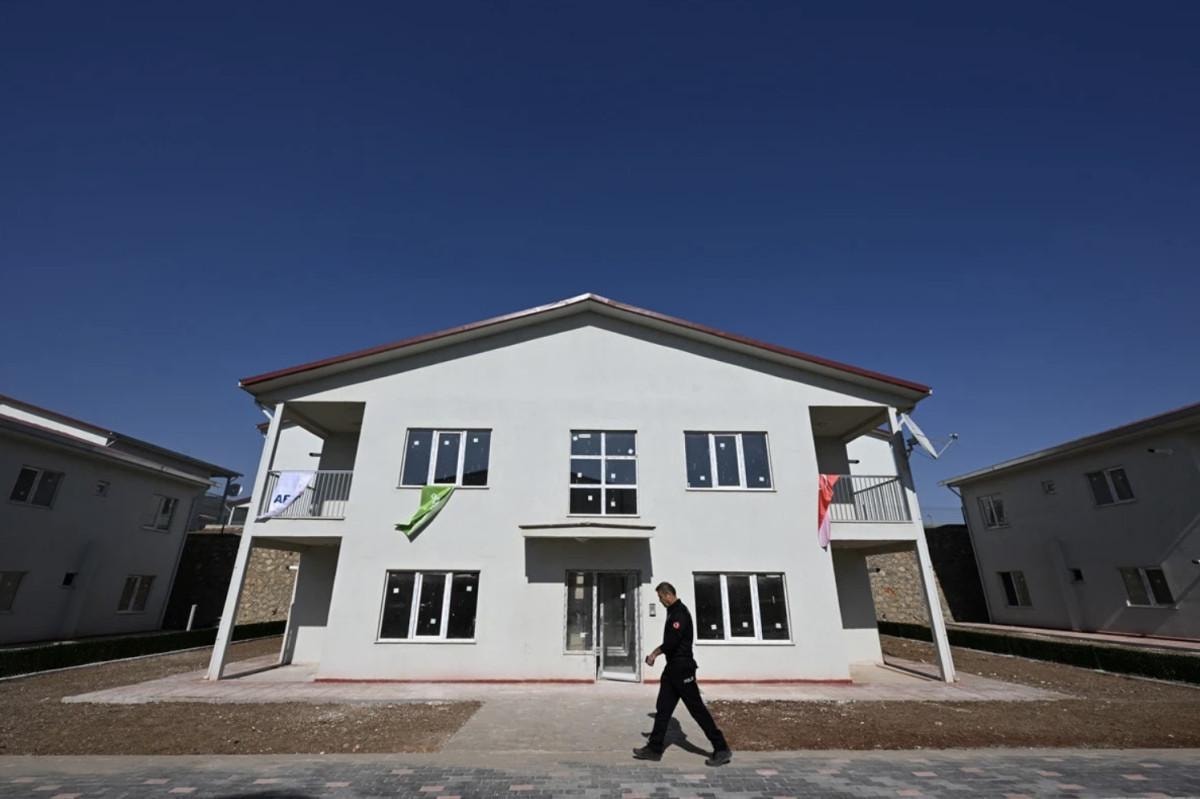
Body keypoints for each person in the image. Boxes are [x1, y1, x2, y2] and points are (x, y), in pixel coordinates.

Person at [632, 581, 733, 766]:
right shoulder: (673, 612)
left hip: (683, 669)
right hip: (672, 670)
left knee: (697, 710)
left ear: (668, 595)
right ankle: (654, 749)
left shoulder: (680, 614)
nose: (660, 601)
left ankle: (721, 748)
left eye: (660, 597)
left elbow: (671, 643)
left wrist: (654, 654)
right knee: (663, 709)